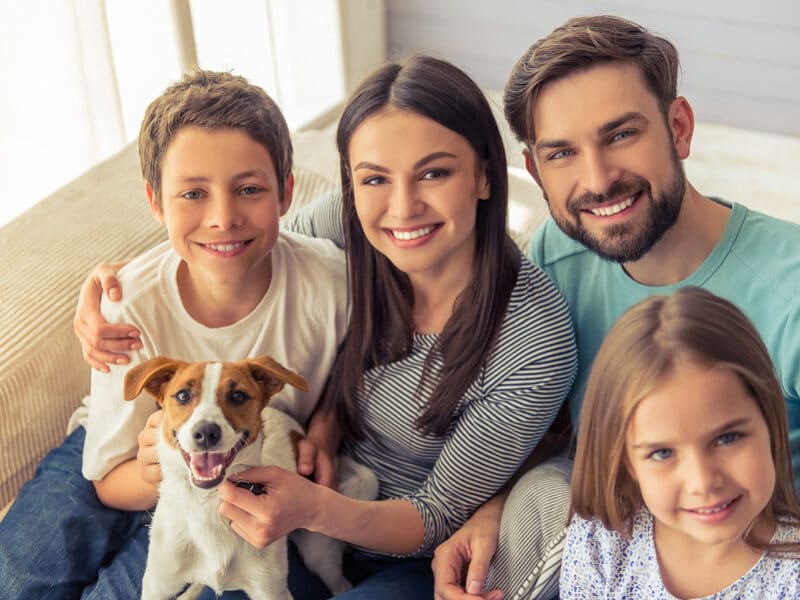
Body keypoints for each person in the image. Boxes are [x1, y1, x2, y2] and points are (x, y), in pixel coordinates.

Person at [71, 55, 578, 598]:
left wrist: (311, 508)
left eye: (434, 173)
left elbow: (436, 514)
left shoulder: (534, 341)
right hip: (271, 489)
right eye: (375, 178)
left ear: (484, 173)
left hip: (402, 549)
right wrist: (115, 284)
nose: (403, 207)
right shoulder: (351, 221)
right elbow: (237, 245)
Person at [432, 14, 800, 600]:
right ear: (534, 171)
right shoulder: (557, 256)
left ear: (679, 128)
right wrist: (493, 509)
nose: (598, 180)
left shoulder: (791, 291)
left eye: (621, 135)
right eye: (562, 153)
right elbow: (549, 426)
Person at [0, 69, 348, 598]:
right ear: (156, 202)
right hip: (123, 459)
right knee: (19, 579)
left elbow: (358, 374)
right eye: (193, 193)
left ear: (286, 193)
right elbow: (107, 478)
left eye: (249, 189)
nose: (223, 218)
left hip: (238, 461)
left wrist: (325, 428)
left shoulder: (332, 283)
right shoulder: (128, 303)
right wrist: (156, 474)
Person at [562, 286, 800, 598]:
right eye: (662, 453)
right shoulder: (602, 542)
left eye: (727, 438)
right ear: (628, 462)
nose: (702, 482)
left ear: (769, 421)